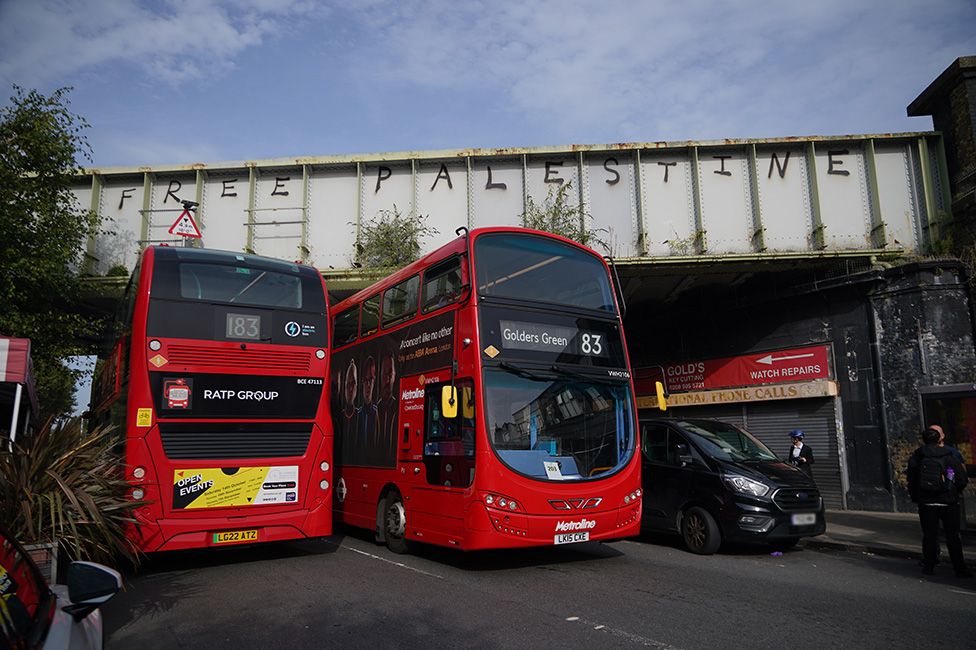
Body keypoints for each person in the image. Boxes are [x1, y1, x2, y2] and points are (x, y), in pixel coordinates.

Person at [906, 427, 972, 577]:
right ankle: (959, 568)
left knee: (929, 535)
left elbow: (911, 480)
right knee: (953, 536)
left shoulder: (917, 456)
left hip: (927, 503)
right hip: (948, 502)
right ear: (940, 439)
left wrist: (918, 497)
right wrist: (953, 492)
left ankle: (928, 566)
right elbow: (962, 479)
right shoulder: (949, 456)